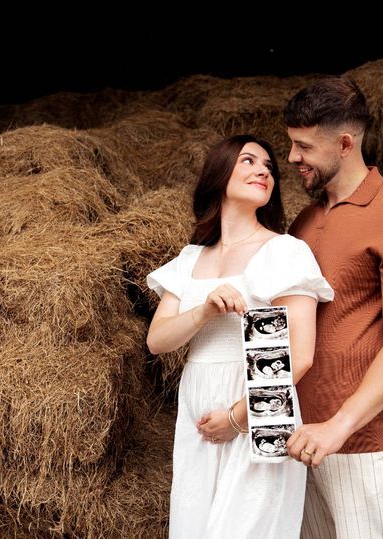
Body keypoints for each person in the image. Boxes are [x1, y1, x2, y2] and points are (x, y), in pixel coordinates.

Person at [145, 134, 334, 538]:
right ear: (219, 173)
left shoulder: (285, 250)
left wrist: (236, 418)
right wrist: (204, 311)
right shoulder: (190, 258)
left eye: (268, 166)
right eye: (248, 161)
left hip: (259, 407)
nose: (263, 171)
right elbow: (157, 340)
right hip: (198, 409)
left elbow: (299, 355)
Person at [282, 77, 383, 538]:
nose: (291, 157)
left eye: (304, 146)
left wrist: (339, 426)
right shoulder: (305, 221)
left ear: (345, 144)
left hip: (361, 441)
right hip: (298, 435)